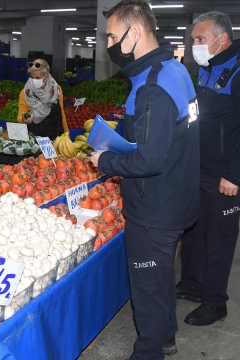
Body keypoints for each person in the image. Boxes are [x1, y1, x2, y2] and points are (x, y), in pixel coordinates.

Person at [90, 1, 200, 358]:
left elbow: (150, 159)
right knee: (161, 277)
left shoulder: (153, 85)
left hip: (155, 208)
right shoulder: (174, 69)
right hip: (176, 195)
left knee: (148, 287)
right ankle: (166, 334)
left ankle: (150, 350)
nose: (108, 44)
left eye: (111, 36)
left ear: (134, 33)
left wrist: (106, 159)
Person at [178, 11, 240, 328]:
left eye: (200, 39)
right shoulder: (208, 68)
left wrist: (234, 174)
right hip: (199, 168)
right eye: (193, 40)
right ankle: (191, 284)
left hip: (226, 174)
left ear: (222, 39)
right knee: (193, 231)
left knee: (219, 238)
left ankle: (215, 302)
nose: (195, 45)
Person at [16, 59, 67, 140]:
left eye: (37, 78)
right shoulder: (26, 92)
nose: (34, 80)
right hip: (34, 137)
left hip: (54, 137)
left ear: (46, 76)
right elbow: (20, 117)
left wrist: (66, 133)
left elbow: (62, 113)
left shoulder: (56, 90)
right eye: (32, 77)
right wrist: (24, 119)